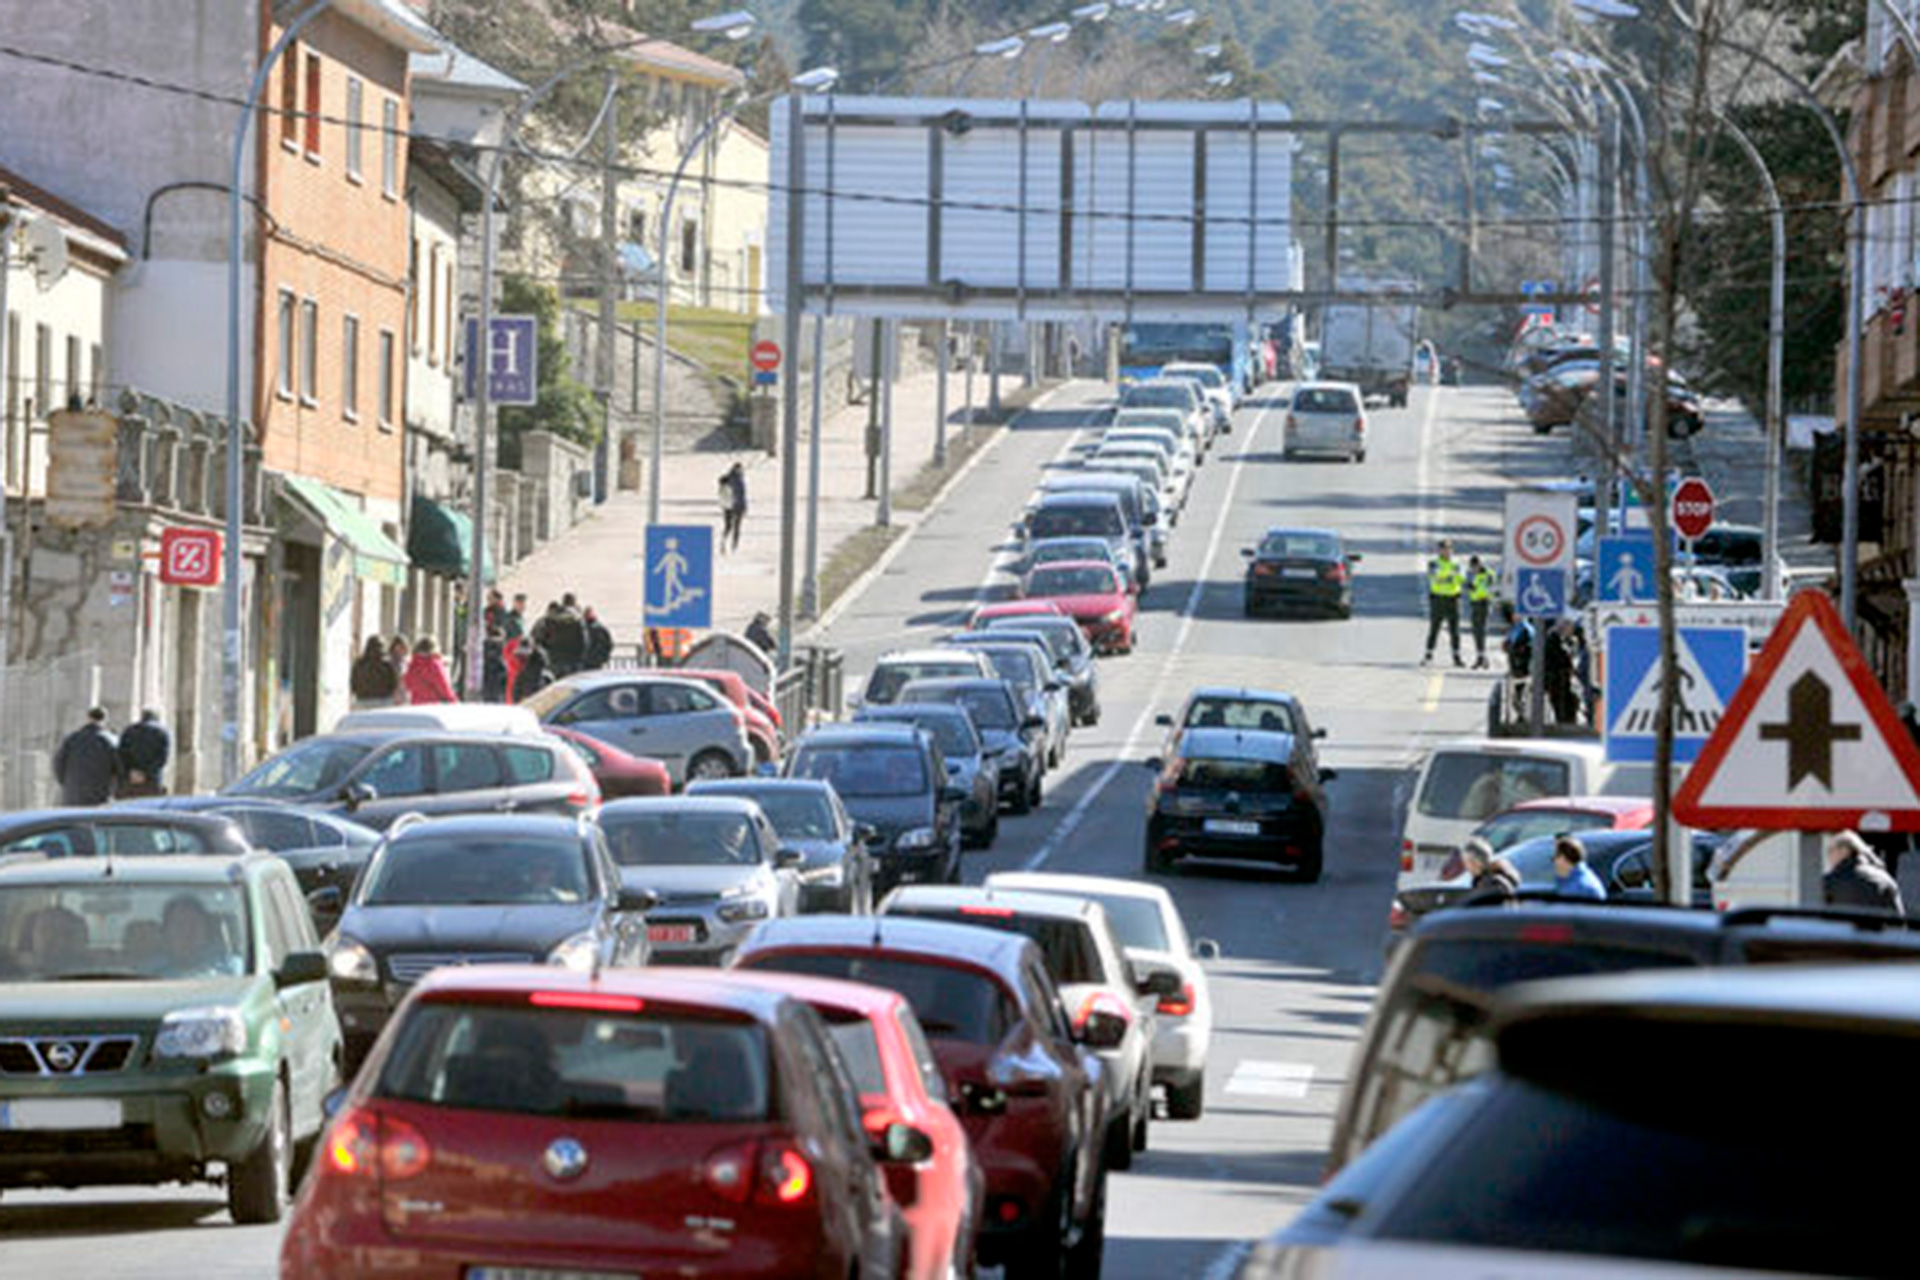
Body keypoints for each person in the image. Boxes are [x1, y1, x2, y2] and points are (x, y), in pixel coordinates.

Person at [1824, 830, 1905, 916]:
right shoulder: (1885, 879)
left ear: (1844, 851)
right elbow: (1898, 919)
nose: (1829, 857)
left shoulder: (1828, 883)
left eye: (1830, 851)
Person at [53, 707, 122, 806]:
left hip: (73, 793)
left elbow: (58, 763)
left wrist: (67, 783)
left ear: (88, 718)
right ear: (105, 719)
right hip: (99, 795)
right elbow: (119, 768)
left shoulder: (72, 738)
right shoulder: (111, 740)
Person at [1422, 538, 1464, 667]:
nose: (1446, 551)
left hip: (1453, 598)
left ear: (1452, 550)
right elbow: (1433, 576)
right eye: (1443, 548)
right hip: (1438, 598)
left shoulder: (1457, 563)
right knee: (1434, 628)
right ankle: (1428, 654)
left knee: (1455, 629)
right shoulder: (1434, 563)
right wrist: (1449, 576)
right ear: (1439, 550)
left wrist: (1445, 576)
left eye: (1448, 548)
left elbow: (1461, 578)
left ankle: (1456, 656)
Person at [117, 708, 172, 798]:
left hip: (131, 779)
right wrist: (146, 773)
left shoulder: (129, 730)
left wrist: (131, 771)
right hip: (152, 779)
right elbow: (162, 757)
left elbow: (122, 754)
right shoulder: (162, 732)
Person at [1460, 837, 1520, 907]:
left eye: (1466, 862)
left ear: (1475, 863)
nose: (1466, 867)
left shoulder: (1490, 885)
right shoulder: (1494, 880)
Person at [1544, 615, 1582, 725]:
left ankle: (1565, 721)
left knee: (1569, 702)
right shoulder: (1553, 639)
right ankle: (1563, 722)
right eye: (1570, 627)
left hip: (1561, 680)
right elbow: (1560, 658)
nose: (1571, 630)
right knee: (1561, 704)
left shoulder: (1562, 639)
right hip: (1556, 680)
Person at [402, 636, 458, 705]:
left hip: (416, 704)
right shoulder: (434, 664)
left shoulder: (412, 665)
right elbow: (443, 685)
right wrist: (453, 701)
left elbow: (408, 684)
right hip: (433, 705)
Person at [1552, 835, 1607, 901]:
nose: (1554, 862)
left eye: (1555, 856)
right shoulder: (1573, 880)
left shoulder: (1579, 888)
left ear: (1564, 859)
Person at [1466, 555, 1496, 670]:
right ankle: (1481, 657)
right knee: (1475, 630)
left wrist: (1476, 588)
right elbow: (1471, 587)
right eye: (1472, 567)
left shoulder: (1488, 574)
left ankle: (1482, 658)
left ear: (1479, 564)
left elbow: (1490, 586)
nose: (1474, 569)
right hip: (1474, 604)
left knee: (1481, 630)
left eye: (1475, 566)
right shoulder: (1471, 575)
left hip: (1484, 603)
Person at [351, 636, 400, 707]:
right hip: (383, 700)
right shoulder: (387, 664)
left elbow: (353, 682)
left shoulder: (359, 664)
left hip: (362, 700)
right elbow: (394, 683)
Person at [718, 462, 747, 553]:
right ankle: (726, 543)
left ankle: (734, 546)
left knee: (735, 527)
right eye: (738, 469)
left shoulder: (739, 479)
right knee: (730, 526)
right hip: (731, 506)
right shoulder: (731, 479)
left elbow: (742, 495)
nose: (740, 470)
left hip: (736, 506)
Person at [482, 627, 510, 703]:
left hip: (485, 683)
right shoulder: (500, 646)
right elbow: (503, 668)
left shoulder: (483, 646)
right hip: (497, 684)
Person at [582, 606, 614, 670]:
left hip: (590, 660)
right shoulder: (599, 627)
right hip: (594, 659)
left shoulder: (586, 628)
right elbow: (609, 644)